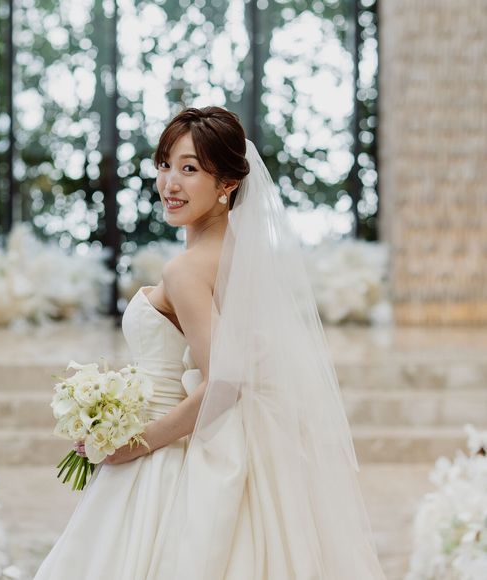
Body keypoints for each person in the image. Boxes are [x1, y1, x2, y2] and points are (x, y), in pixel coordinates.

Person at [34, 106, 387, 579]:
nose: (169, 184)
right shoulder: (242, 256)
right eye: (165, 165)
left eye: (190, 169)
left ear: (227, 184)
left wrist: (135, 443)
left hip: (168, 456)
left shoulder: (186, 270)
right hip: (232, 444)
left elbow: (225, 380)